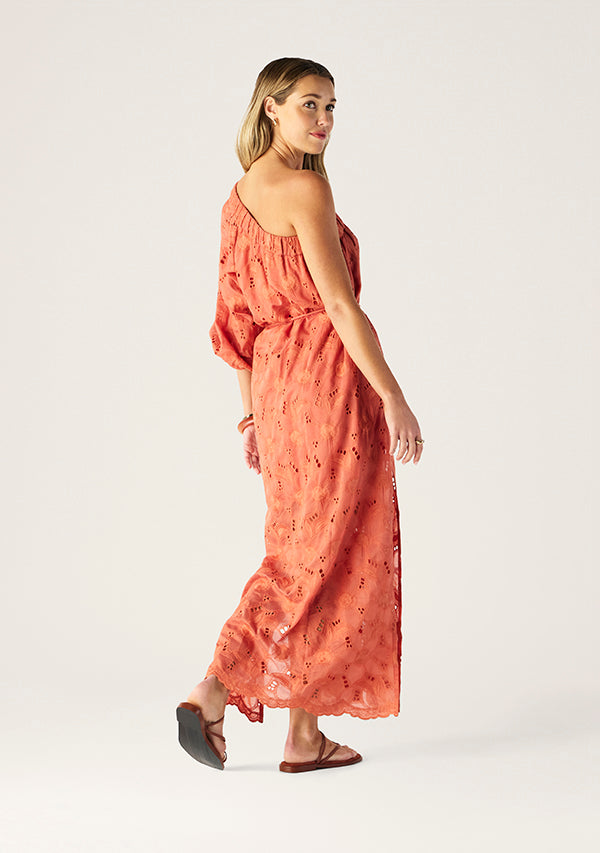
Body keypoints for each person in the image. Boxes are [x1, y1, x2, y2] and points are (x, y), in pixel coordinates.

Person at [176, 57, 424, 773]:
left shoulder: (238, 199)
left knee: (316, 549)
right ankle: (215, 685)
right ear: (271, 108)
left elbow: (236, 324)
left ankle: (304, 737)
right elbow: (340, 304)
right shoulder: (306, 187)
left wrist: (251, 418)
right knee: (314, 556)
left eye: (332, 106)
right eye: (309, 104)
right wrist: (393, 394)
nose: (323, 120)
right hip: (327, 380)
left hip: (279, 390)